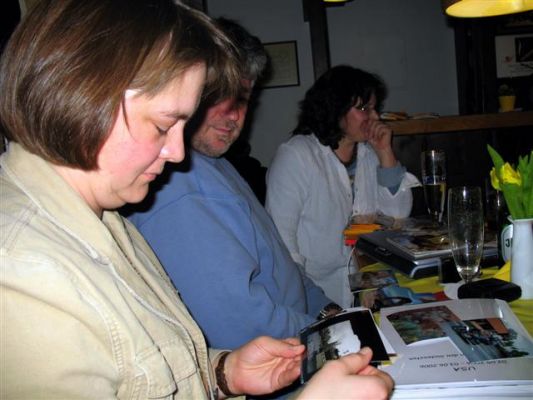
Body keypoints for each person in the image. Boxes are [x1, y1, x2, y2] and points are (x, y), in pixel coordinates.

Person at [0, 2, 394, 399]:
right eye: (163, 125)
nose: (178, 152)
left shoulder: (106, 217)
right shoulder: (24, 272)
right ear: (85, 100)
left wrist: (221, 373)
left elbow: (149, 371)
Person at [127, 18, 341, 353]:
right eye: (218, 95)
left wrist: (328, 311)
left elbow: (281, 265)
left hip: (298, 335)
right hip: (276, 361)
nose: (234, 115)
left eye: (243, 99)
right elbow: (241, 327)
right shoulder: (180, 187)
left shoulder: (218, 165)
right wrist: (326, 336)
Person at [265, 65, 420, 308]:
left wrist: (385, 152)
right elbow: (282, 244)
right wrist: (308, 303)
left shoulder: (368, 154)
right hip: (314, 296)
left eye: (375, 108)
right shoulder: (296, 156)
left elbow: (398, 216)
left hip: (366, 285)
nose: (374, 117)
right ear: (335, 108)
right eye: (364, 108)